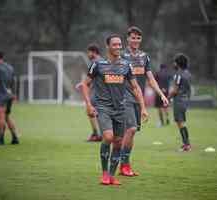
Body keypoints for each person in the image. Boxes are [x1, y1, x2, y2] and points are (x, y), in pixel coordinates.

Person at [79, 34, 148, 186]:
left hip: (121, 109)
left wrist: (143, 107)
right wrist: (89, 105)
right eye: (115, 45)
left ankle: (111, 176)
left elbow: (135, 87)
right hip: (103, 107)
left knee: (118, 142)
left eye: (119, 45)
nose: (118, 47)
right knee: (108, 137)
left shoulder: (126, 65)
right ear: (108, 46)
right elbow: (84, 84)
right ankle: (104, 174)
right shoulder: (97, 64)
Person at [119, 26, 169, 176]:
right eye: (133, 37)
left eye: (138, 38)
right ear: (127, 38)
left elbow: (151, 78)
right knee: (131, 129)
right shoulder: (121, 55)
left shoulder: (144, 57)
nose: (135, 40)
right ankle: (123, 165)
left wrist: (161, 94)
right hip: (124, 98)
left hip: (138, 100)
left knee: (131, 133)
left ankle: (124, 164)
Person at [168, 53, 192, 152]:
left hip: (179, 100)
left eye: (175, 62)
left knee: (180, 123)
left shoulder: (178, 74)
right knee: (181, 122)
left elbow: (175, 90)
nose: (173, 64)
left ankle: (187, 145)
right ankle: (186, 143)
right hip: (186, 100)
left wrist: (168, 97)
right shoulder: (188, 73)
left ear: (178, 63)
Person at [85, 43, 102, 142]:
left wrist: (85, 85)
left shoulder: (95, 63)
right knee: (95, 112)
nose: (88, 54)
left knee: (91, 111)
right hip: (100, 92)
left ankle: (97, 134)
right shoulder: (104, 61)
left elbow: (89, 80)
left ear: (94, 52)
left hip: (97, 93)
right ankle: (98, 133)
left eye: (89, 52)